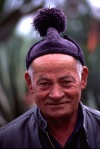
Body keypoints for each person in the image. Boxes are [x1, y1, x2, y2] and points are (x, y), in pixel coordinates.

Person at [0, 7, 100, 149]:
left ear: (82, 78)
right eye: (45, 83)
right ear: (30, 83)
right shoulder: (7, 140)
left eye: (66, 82)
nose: (56, 94)